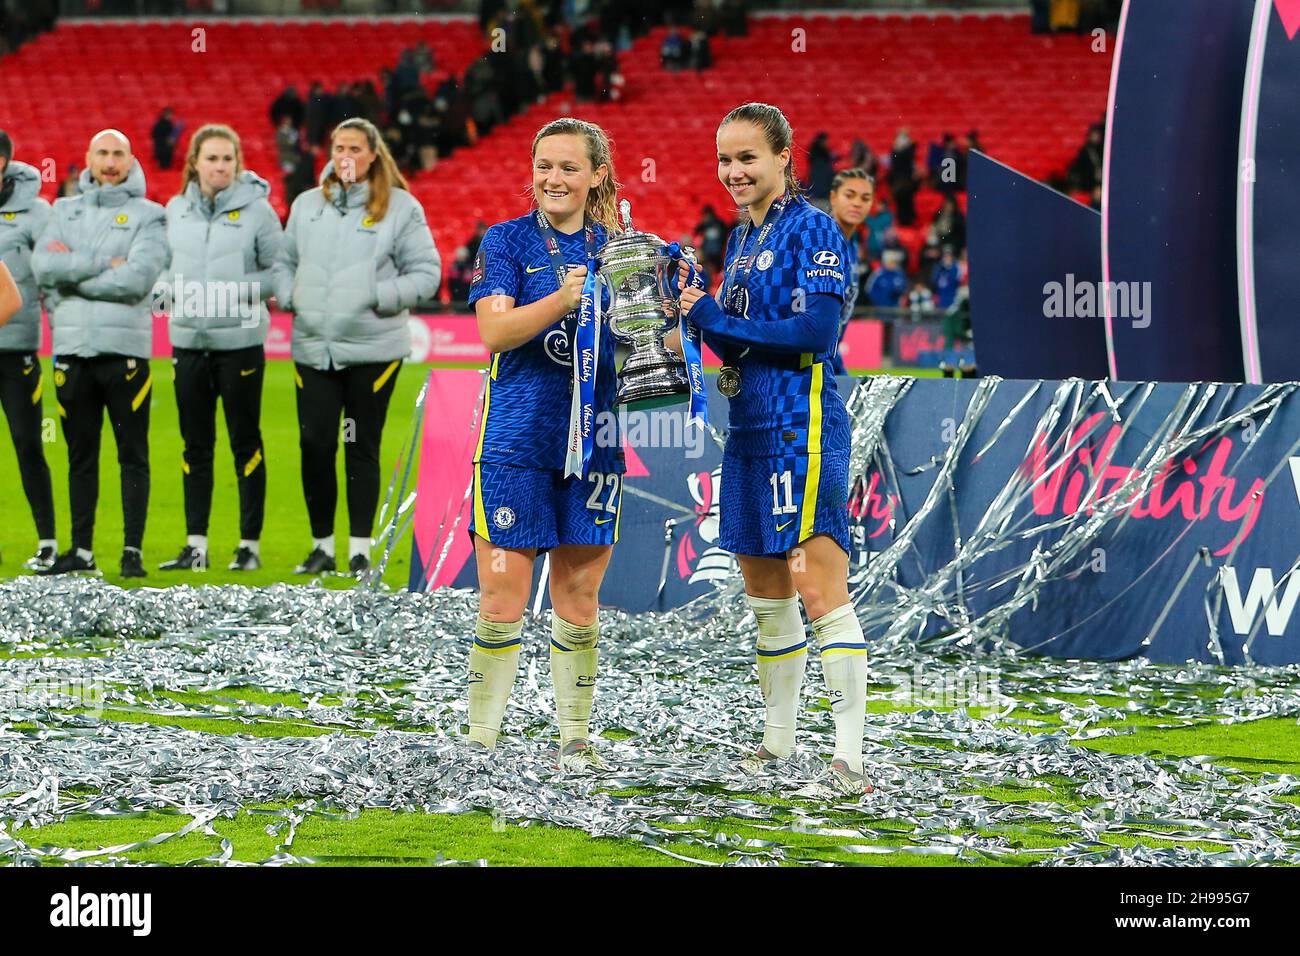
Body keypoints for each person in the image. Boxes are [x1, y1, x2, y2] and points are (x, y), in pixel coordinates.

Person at [677, 102, 872, 796]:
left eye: (747, 157)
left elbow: (816, 334)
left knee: (818, 588)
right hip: (750, 425)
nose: (733, 171)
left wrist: (711, 317)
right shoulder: (741, 239)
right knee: (765, 595)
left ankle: (849, 757)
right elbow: (736, 340)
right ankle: (778, 745)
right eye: (724, 159)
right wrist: (696, 314)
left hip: (802, 423)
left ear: (785, 159)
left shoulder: (814, 228)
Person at [462, 117, 625, 772]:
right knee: (501, 598)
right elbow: (494, 335)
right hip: (515, 444)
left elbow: (642, 356)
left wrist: (674, 325)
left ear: (596, 176)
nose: (553, 179)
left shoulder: (620, 250)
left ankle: (575, 742)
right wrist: (562, 300)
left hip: (596, 446)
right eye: (544, 167)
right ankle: (480, 743)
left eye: (567, 168)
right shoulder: (503, 242)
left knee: (579, 600)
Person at [275, 117, 440, 578]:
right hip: (313, 346)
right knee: (315, 444)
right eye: (338, 146)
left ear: (372, 155)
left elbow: (427, 274)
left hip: (373, 349)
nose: (345, 155)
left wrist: (377, 297)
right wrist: (291, 296)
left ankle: (361, 548)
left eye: (354, 147)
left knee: (361, 446)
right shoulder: (307, 205)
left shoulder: (401, 208)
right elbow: (283, 263)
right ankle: (321, 546)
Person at [31, 129, 168, 578]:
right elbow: (43, 267)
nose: (110, 162)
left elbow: (137, 280)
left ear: (131, 161)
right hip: (72, 352)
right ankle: (81, 551)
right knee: (80, 457)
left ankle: (132, 552)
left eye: (118, 154)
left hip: (124, 354)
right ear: (88, 159)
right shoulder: (63, 210)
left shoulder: (151, 215)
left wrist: (74, 278)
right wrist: (102, 265)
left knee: (132, 453)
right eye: (102, 153)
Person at [159, 124, 283, 573]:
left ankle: (248, 546)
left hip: (240, 345)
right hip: (188, 342)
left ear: (238, 162)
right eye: (211, 158)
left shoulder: (258, 213)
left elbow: (279, 272)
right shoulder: (174, 210)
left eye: (227, 159)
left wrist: (232, 291)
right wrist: (168, 294)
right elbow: (163, 272)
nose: (219, 167)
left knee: (245, 442)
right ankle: (196, 546)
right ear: (194, 162)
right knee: (195, 447)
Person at [0, 131, 57, 570]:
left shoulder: (36, 212)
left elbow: (52, 274)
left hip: (16, 347)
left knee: (26, 443)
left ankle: (48, 541)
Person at [825, 168, 873, 375]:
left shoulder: (852, 246)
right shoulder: (821, 239)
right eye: (849, 195)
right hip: (810, 359)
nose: (857, 203)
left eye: (865, 198)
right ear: (833, 197)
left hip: (830, 355)